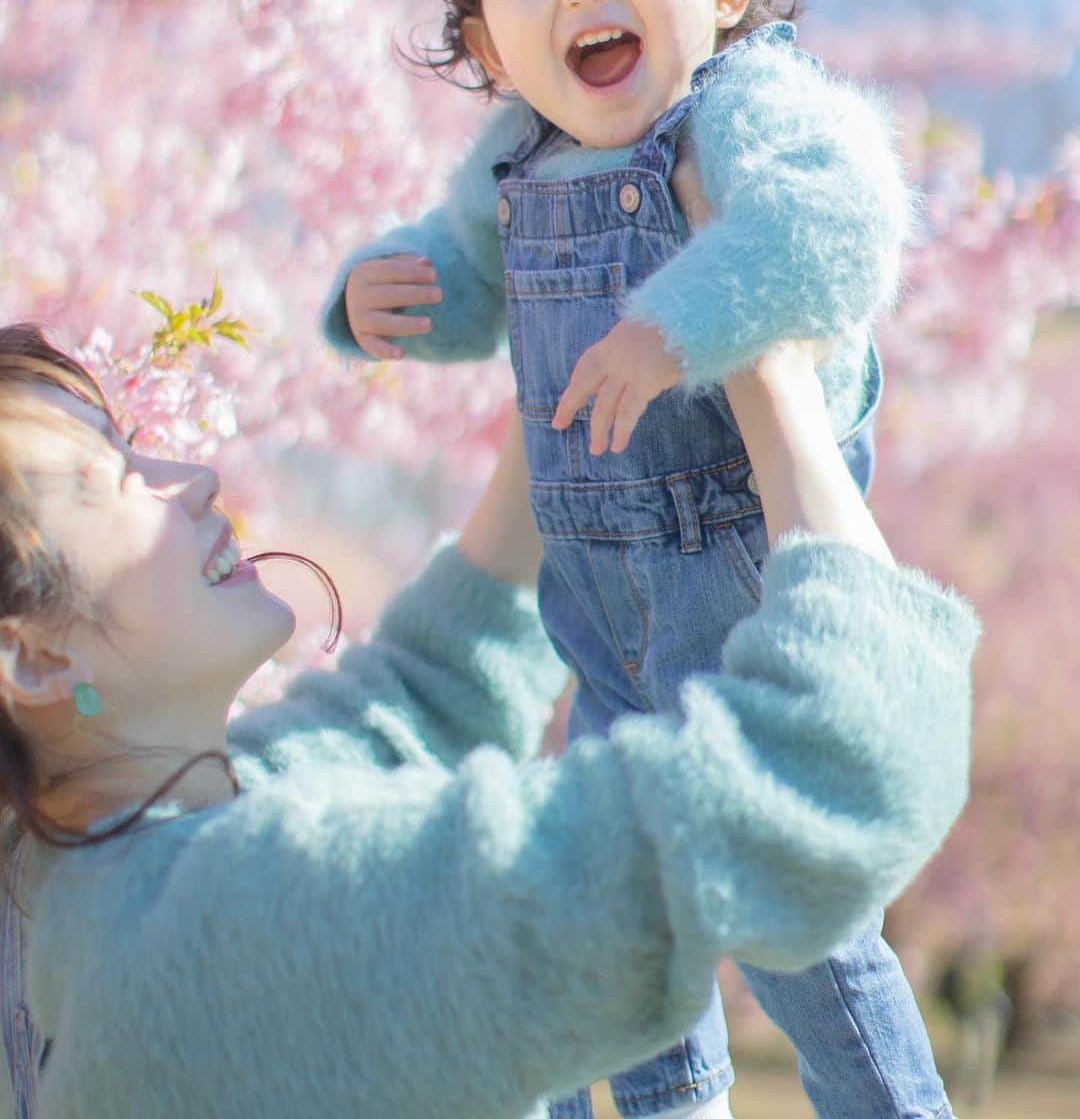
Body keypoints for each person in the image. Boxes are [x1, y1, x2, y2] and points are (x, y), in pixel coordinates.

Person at [322, 0, 950, 1119]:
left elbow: (836, 230)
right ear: (490, 43)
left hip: (750, 602)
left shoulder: (749, 107)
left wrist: (674, 325)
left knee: (801, 931)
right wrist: (385, 296)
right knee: (604, 926)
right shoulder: (513, 157)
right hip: (602, 633)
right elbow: (467, 275)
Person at [0, 322, 974, 1119]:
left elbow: (429, 690)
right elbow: (827, 784)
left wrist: (564, 346)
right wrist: (774, 371)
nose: (192, 474)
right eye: (113, 476)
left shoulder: (88, 877)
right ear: (35, 657)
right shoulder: (252, 928)